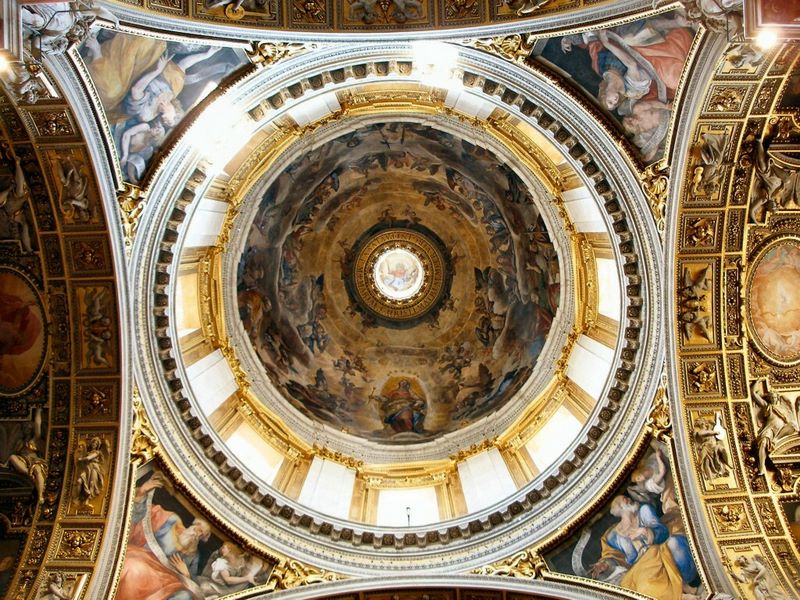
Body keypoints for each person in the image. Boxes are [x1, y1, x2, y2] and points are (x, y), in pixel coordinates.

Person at [116, 472, 212, 600]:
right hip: (143, 558)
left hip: (166, 579)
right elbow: (142, 517)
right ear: (193, 524)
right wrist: (142, 493)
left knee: (185, 596)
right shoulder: (171, 521)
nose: (197, 533)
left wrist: (186, 574)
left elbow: (193, 582)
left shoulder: (194, 554)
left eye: (201, 534)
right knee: (133, 568)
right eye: (198, 527)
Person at [590, 495, 698, 600]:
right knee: (636, 586)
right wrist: (605, 563)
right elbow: (613, 556)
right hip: (639, 569)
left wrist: (645, 531)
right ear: (620, 508)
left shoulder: (644, 511)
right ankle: (679, 595)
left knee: (647, 583)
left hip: (657, 553)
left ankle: (679, 594)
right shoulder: (613, 536)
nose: (629, 499)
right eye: (625, 499)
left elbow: (663, 532)